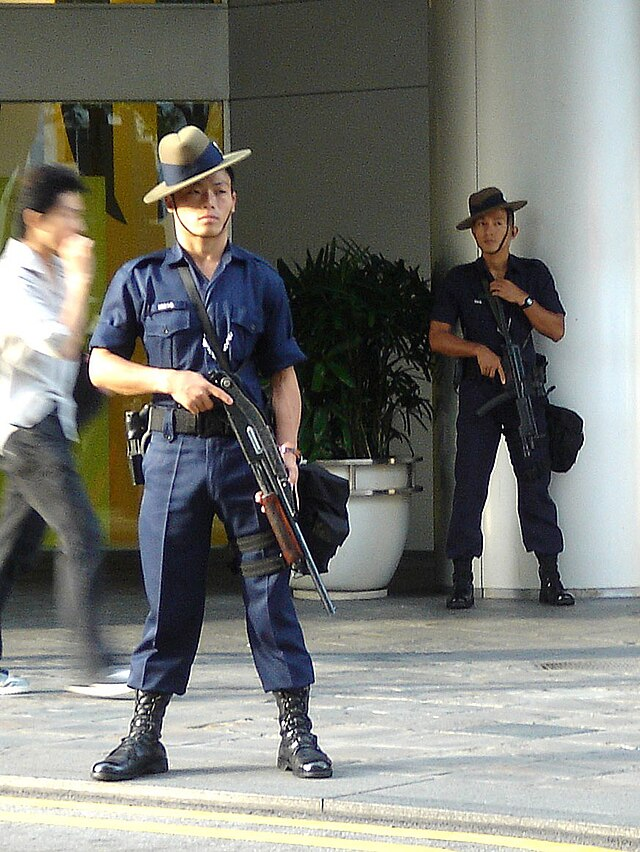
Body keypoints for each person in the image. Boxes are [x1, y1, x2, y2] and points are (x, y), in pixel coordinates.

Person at [88, 125, 332, 782]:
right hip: (172, 459)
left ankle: (296, 731)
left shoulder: (261, 282)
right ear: (172, 206)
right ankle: (146, 736)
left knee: (269, 593)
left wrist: (287, 449)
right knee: (169, 598)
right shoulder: (139, 278)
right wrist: (167, 380)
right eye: (195, 196)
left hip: (248, 457)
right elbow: (101, 366)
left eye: (219, 191)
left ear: (233, 199)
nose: (210, 205)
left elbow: (283, 377)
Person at [0, 164, 129, 697]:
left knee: (11, 549)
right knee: (82, 536)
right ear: (36, 219)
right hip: (27, 426)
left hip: (46, 419)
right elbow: (61, 344)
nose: (79, 227)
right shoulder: (16, 277)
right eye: (68, 216)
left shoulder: (48, 268)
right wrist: (80, 279)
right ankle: (91, 665)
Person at [429, 187, 574, 610]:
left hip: (524, 393)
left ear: (513, 228)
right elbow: (438, 337)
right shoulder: (459, 279)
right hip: (479, 394)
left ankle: (550, 576)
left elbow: (557, 328)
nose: (489, 230)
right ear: (473, 231)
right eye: (481, 223)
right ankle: (461, 580)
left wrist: (521, 299)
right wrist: (476, 350)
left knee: (535, 484)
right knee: (470, 483)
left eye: (497, 222)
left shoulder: (533, 273)